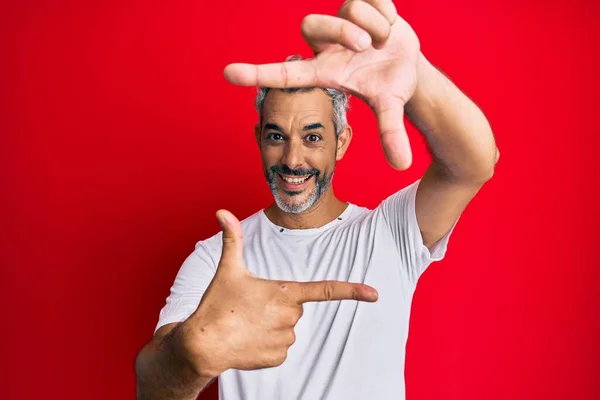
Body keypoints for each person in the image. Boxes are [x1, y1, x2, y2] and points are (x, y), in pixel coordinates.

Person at [135, 0, 499, 399]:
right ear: (259, 139)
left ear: (340, 142)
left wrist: (417, 75)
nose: (292, 160)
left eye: (312, 137)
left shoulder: (389, 233)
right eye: (277, 136)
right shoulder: (217, 259)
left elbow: (474, 164)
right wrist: (192, 353)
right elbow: (153, 389)